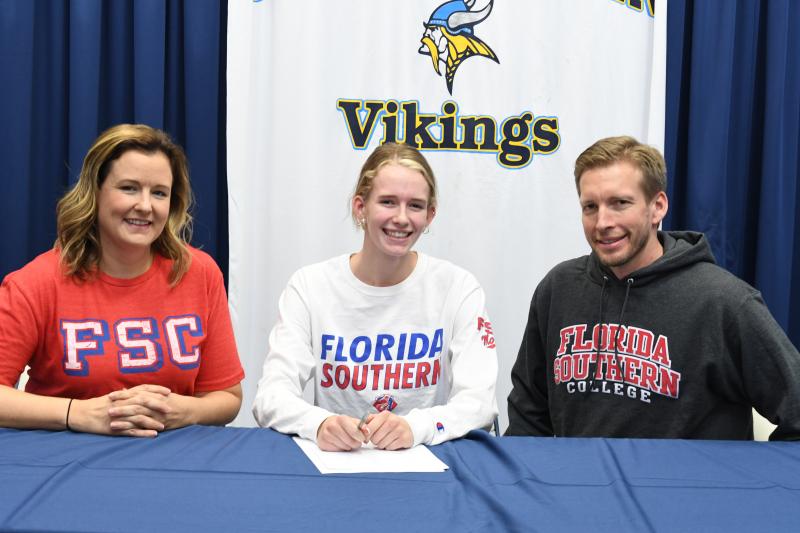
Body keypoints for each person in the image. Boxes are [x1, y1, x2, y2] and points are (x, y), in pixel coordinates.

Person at [506, 135, 800, 440]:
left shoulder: (724, 302)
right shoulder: (558, 289)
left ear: (657, 207)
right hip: (579, 473)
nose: (602, 222)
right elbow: (528, 415)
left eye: (620, 203)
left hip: (683, 474)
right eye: (590, 206)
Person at [0, 124, 244, 437]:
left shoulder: (200, 273)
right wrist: (79, 413)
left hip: (175, 454)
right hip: (65, 455)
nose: (145, 206)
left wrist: (184, 411)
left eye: (159, 193)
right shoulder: (35, 283)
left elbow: (227, 397)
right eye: (129, 188)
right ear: (95, 192)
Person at [253, 142, 498, 451]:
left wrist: (415, 428)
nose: (401, 218)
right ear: (360, 207)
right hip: (339, 462)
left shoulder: (458, 287)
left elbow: (479, 403)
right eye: (388, 202)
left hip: (427, 462)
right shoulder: (310, 286)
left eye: (415, 206)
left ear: (430, 214)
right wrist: (319, 424)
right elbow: (271, 396)